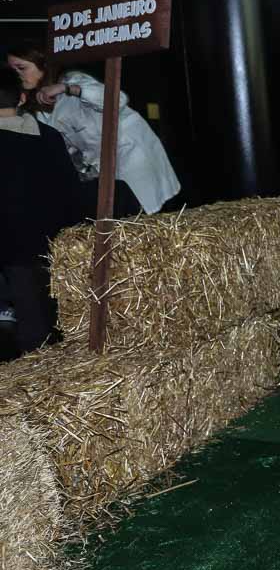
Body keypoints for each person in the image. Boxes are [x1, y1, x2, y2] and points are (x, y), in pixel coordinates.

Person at [7, 41, 180, 216]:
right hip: (103, 166)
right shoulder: (35, 105)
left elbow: (117, 100)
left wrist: (67, 89)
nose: (17, 74)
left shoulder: (73, 80)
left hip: (130, 153)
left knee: (145, 214)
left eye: (21, 68)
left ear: (43, 65)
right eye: (12, 69)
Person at [0, 65, 81, 355]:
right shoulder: (48, 136)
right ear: (22, 98)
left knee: (29, 318)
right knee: (50, 314)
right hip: (50, 240)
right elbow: (71, 189)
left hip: (10, 245)